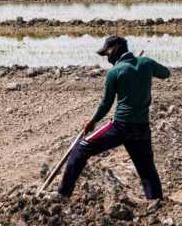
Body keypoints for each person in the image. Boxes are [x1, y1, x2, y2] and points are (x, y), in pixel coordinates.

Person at [58, 35, 170, 200]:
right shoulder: (146, 63)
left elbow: (106, 104)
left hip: (121, 127)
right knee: (146, 169)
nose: (107, 58)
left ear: (115, 49)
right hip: (142, 127)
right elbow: (166, 73)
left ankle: (62, 195)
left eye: (107, 53)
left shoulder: (115, 72)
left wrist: (92, 121)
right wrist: (145, 68)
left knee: (81, 149)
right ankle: (156, 201)